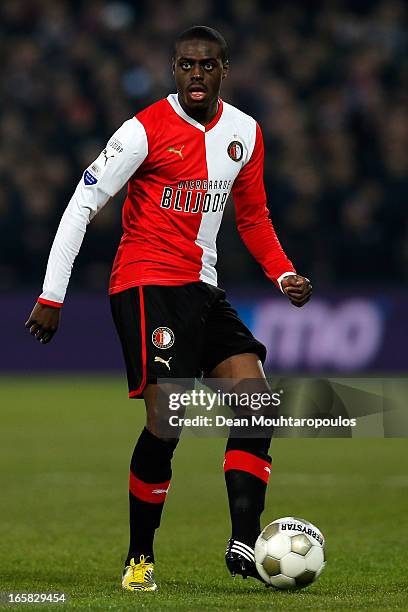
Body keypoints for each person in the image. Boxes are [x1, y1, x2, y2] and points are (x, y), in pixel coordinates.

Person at [25, 25, 312, 592]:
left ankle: (245, 541)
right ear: (173, 69)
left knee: (257, 402)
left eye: (206, 66)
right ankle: (139, 558)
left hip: (203, 287)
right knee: (168, 420)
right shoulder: (142, 131)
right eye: (185, 65)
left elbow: (252, 217)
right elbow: (84, 202)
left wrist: (283, 272)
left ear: (224, 70)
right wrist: (51, 295)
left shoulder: (246, 133)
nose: (196, 75)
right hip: (145, 282)